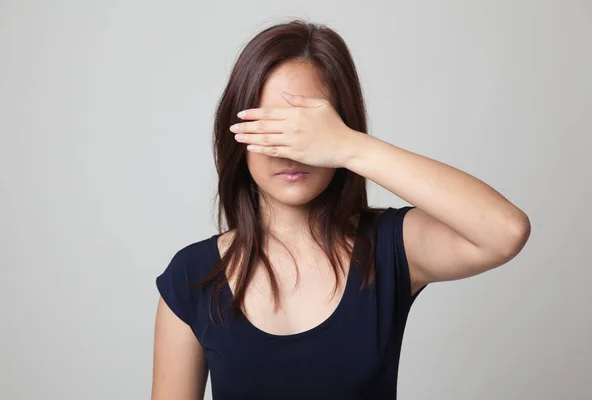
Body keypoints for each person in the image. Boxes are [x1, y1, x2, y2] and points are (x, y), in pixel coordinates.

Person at [151, 19, 531, 400]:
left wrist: (351, 148)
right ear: (237, 133)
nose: (289, 149)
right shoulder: (192, 277)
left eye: (306, 128)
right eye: (271, 128)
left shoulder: (389, 247)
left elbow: (505, 231)